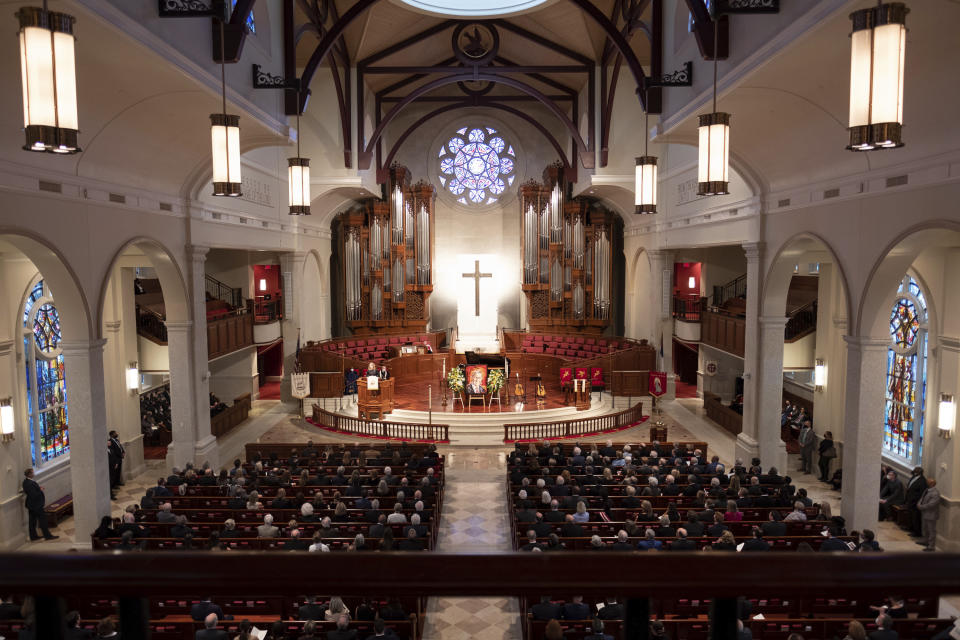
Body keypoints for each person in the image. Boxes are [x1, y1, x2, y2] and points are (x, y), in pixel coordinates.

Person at [21, 468, 58, 541]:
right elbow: (33, 495)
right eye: (32, 472)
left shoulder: (25, 482)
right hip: (36, 505)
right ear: (29, 474)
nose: (33, 473)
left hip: (31, 505)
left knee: (32, 522)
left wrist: (38, 488)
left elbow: (31, 491)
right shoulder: (30, 483)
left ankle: (33, 537)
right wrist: (40, 490)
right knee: (43, 520)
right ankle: (48, 536)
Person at [917, 478, 941, 552]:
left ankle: (931, 546)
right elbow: (922, 498)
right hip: (924, 513)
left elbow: (932, 504)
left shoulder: (935, 493)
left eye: (927, 482)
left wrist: (921, 507)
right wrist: (919, 503)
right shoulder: (927, 490)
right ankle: (925, 541)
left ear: (931, 484)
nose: (926, 483)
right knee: (925, 529)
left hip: (931, 514)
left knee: (931, 531)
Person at [904, 466, 927, 537]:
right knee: (910, 516)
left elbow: (921, 493)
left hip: (915, 502)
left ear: (919, 473)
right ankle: (910, 528)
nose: (914, 473)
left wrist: (916, 501)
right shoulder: (914, 477)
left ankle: (917, 532)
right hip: (910, 500)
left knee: (916, 518)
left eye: (915, 472)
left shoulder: (922, 481)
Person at [108, 430, 125, 495]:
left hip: (120, 458)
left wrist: (123, 452)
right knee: (115, 472)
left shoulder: (116, 440)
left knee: (119, 471)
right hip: (116, 459)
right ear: (112, 435)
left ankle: (118, 482)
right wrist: (117, 458)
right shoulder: (110, 441)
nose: (116, 434)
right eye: (115, 433)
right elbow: (113, 451)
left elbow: (120, 446)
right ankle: (114, 485)